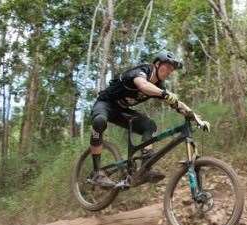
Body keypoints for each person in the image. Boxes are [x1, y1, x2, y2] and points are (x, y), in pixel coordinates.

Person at [89, 51, 210, 187]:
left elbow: (178, 104)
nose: (170, 71)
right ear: (157, 64)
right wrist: (164, 94)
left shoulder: (159, 86)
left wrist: (196, 118)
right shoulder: (141, 71)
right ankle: (96, 173)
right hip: (105, 104)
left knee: (149, 125)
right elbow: (143, 85)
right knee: (99, 121)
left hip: (122, 111)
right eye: (168, 67)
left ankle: (145, 168)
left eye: (172, 69)